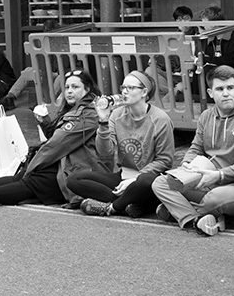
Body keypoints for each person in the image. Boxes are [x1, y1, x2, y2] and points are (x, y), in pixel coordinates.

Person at [0, 68, 103, 208]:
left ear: (87, 89)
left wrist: (32, 165)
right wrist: (45, 122)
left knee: (31, 179)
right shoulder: (75, 110)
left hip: (75, 172)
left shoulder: (88, 114)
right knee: (23, 177)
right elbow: (57, 137)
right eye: (67, 87)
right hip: (65, 165)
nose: (69, 91)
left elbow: (56, 145)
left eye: (75, 87)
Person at [150, 65, 234, 236]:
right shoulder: (207, 116)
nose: (226, 93)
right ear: (210, 92)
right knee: (161, 183)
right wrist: (186, 165)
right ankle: (197, 219)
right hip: (208, 178)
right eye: (220, 89)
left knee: (214, 198)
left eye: (230, 88)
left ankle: (180, 211)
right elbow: (196, 147)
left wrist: (219, 175)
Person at [70, 70, 174, 219]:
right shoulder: (117, 115)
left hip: (146, 180)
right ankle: (131, 206)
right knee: (75, 179)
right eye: (123, 87)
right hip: (123, 177)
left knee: (146, 181)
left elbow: (165, 160)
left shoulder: (160, 119)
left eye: (130, 88)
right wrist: (103, 122)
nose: (124, 92)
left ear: (144, 92)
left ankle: (113, 207)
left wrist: (136, 179)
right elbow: (105, 154)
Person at [191, 5, 234, 95]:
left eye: (205, 23)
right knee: (200, 69)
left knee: (206, 69)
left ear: (214, 24)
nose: (203, 26)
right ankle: (197, 97)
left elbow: (231, 60)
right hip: (216, 70)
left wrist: (205, 60)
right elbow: (206, 56)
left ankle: (204, 97)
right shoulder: (210, 37)